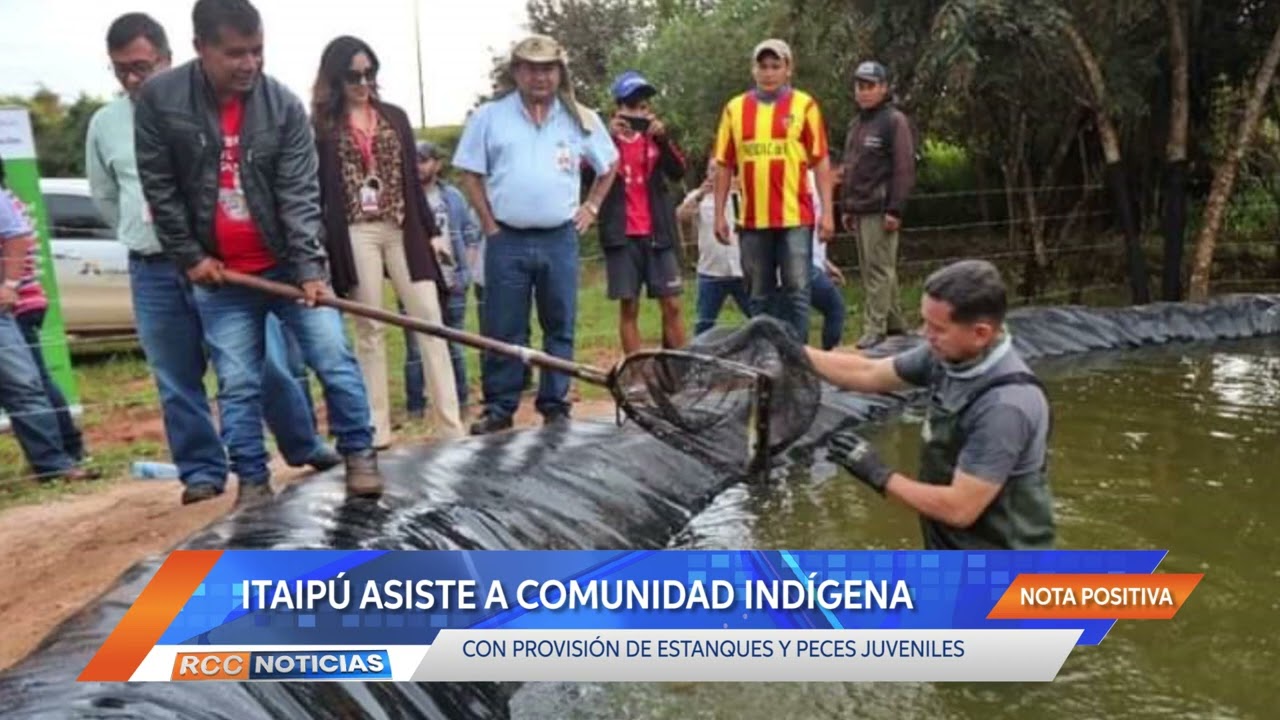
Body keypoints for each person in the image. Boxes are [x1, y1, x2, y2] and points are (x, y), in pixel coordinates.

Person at [87, 11, 340, 507]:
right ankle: (203, 471)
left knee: (259, 366)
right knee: (176, 374)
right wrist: (158, 242)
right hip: (156, 266)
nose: (134, 78)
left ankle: (302, 444)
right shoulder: (105, 124)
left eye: (143, 65)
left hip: (224, 266)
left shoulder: (210, 105)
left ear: (172, 56)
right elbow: (105, 195)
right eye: (122, 70)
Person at [133, 0, 383, 501]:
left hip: (289, 268)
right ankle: (252, 480)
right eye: (235, 54)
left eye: (258, 51)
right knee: (239, 381)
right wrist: (190, 257)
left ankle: (360, 455)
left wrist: (310, 269)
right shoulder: (161, 100)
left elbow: (299, 195)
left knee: (333, 357)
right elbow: (159, 187)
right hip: (221, 277)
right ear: (201, 48)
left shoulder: (283, 106)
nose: (250, 64)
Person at [808, 260, 1054, 550]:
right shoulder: (947, 356)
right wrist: (795, 351)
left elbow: (959, 509)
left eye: (938, 327)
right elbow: (868, 373)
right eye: (925, 322)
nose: (925, 334)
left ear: (981, 333)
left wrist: (877, 473)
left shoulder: (1006, 407)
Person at [453, 34, 619, 434]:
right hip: (505, 237)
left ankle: (555, 402)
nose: (541, 77)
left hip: (559, 236)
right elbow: (470, 172)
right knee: (502, 326)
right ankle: (500, 406)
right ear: (517, 72)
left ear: (559, 72)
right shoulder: (489, 116)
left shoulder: (580, 117)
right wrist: (489, 223)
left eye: (548, 68)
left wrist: (592, 206)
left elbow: (609, 164)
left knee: (559, 322)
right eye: (531, 68)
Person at [311, 36, 464, 447]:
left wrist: (432, 233)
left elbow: (413, 183)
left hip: (403, 227)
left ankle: (450, 425)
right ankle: (375, 430)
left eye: (369, 73)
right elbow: (319, 190)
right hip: (356, 230)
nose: (363, 82)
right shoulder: (323, 125)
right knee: (370, 328)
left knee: (429, 320)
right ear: (335, 77)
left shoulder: (394, 116)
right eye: (353, 75)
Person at [712, 38, 835, 344]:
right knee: (758, 294)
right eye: (762, 66)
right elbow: (724, 164)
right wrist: (719, 214)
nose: (768, 73)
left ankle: (799, 361)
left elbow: (820, 161)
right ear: (753, 70)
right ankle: (766, 359)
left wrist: (828, 213)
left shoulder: (804, 105)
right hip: (753, 220)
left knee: (797, 290)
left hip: (795, 217)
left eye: (775, 66)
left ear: (788, 69)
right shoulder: (735, 109)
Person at [0, 168, 98, 482]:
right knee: (31, 383)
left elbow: (16, 234)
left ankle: (55, 464)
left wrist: (10, 285)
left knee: (26, 385)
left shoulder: (4, 201)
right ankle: (62, 456)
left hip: (10, 308)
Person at [599, 70, 687, 355]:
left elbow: (678, 171)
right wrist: (609, 138)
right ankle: (635, 378)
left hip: (657, 233)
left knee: (672, 304)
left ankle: (678, 371)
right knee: (630, 306)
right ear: (618, 109)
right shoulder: (604, 143)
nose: (638, 111)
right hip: (622, 235)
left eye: (643, 105)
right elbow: (587, 174)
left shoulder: (657, 140)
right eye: (631, 105)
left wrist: (662, 139)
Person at [840, 60, 917, 349]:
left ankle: (875, 328)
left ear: (884, 88)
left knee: (878, 270)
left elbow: (904, 168)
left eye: (870, 86)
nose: (864, 92)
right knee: (876, 267)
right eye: (860, 86)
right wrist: (846, 206)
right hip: (859, 206)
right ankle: (896, 322)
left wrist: (895, 208)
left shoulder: (894, 121)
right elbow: (850, 167)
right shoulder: (857, 123)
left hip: (880, 207)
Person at [403, 140, 480, 414]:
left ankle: (460, 402)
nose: (418, 166)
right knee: (415, 348)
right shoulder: (404, 198)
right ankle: (416, 406)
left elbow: (471, 234)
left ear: (437, 163)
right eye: (414, 160)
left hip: (452, 280)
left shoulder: (454, 197)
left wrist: (466, 271)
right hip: (415, 280)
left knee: (455, 344)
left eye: (424, 160)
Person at [680, 158, 748, 336]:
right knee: (704, 322)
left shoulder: (742, 196)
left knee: (757, 317)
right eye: (712, 170)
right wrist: (701, 194)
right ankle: (697, 359)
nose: (715, 175)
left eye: (720, 170)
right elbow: (681, 216)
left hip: (742, 270)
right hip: (710, 271)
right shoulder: (698, 197)